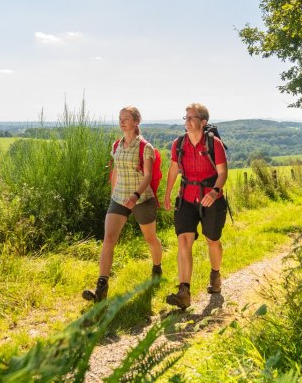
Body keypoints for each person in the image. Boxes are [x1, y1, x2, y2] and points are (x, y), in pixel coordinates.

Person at [82, 106, 165, 302]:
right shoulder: (116, 145)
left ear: (136, 122)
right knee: (109, 239)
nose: (122, 121)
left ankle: (157, 267)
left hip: (142, 198)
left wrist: (135, 196)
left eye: (126, 118)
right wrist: (113, 196)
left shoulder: (146, 147)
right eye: (120, 118)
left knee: (150, 239)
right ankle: (101, 289)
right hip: (119, 198)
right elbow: (116, 172)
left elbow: (148, 176)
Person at [162, 103, 227, 309]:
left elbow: (223, 172)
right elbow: (173, 170)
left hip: (211, 198)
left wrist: (215, 191)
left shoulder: (213, 143)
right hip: (187, 197)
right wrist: (167, 194)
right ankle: (184, 291)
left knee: (212, 240)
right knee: (183, 241)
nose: (187, 121)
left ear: (203, 122)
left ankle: (215, 274)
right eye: (186, 117)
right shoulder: (178, 144)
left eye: (192, 117)